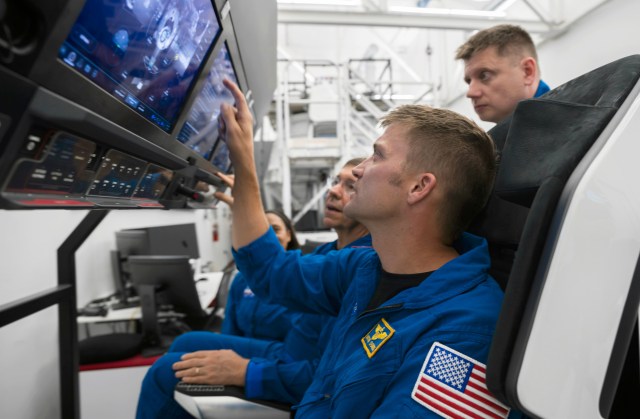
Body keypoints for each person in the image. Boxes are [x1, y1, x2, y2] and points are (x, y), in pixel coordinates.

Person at [199, 79, 516, 417]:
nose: (360, 169)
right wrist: (244, 160)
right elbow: (271, 273)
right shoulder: (364, 267)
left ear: (419, 187)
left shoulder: (464, 333)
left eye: (377, 155)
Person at [136, 158, 372, 418]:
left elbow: (330, 377)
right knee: (186, 341)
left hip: (301, 373)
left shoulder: (361, 270)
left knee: (166, 370)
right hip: (287, 352)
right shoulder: (327, 253)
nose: (334, 190)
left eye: (350, 185)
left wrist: (245, 371)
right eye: (336, 181)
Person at [221, 209, 300, 341]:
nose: (269, 238)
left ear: (289, 235)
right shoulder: (241, 280)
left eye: (275, 229)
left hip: (283, 355)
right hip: (240, 352)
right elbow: (229, 329)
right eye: (262, 232)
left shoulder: (301, 277)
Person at [456, 24, 551, 124]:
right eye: (469, 81)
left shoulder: (565, 130)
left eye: (484, 75)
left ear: (527, 71)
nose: (471, 93)